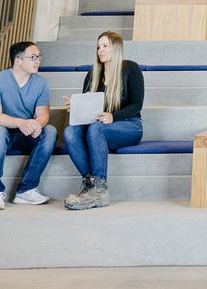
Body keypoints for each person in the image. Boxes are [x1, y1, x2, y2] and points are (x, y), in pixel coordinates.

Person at [62, 31, 145, 210]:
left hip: (129, 125)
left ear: (116, 48)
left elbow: (137, 104)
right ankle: (91, 185)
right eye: (98, 46)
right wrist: (76, 106)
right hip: (98, 126)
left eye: (105, 46)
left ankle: (100, 190)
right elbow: (88, 107)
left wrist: (113, 116)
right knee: (70, 132)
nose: (100, 50)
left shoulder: (131, 68)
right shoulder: (93, 74)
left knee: (96, 129)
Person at [0, 40, 56, 210]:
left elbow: (43, 115)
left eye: (39, 57)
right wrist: (22, 123)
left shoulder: (41, 83)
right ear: (18, 60)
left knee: (49, 131)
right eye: (33, 57)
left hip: (23, 135)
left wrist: (37, 125)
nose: (38, 61)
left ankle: (26, 190)